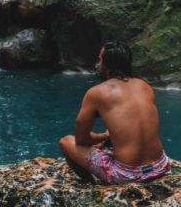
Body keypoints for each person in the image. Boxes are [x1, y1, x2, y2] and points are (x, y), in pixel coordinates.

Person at [59, 42, 171, 185]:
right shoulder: (145, 86)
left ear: (106, 65)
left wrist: (104, 136)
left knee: (66, 141)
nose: (98, 64)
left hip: (128, 175)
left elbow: (81, 140)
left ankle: (89, 185)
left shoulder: (95, 93)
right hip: (160, 167)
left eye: (100, 60)